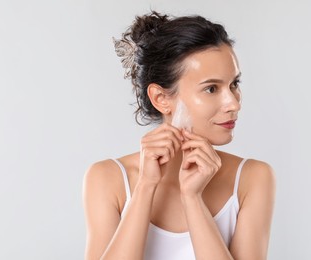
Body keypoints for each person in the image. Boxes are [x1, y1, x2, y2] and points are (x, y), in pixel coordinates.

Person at [83, 11, 276, 260]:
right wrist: (145, 187)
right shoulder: (107, 178)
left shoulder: (252, 178)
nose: (233, 103)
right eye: (211, 88)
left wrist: (193, 199)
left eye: (234, 85)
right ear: (161, 99)